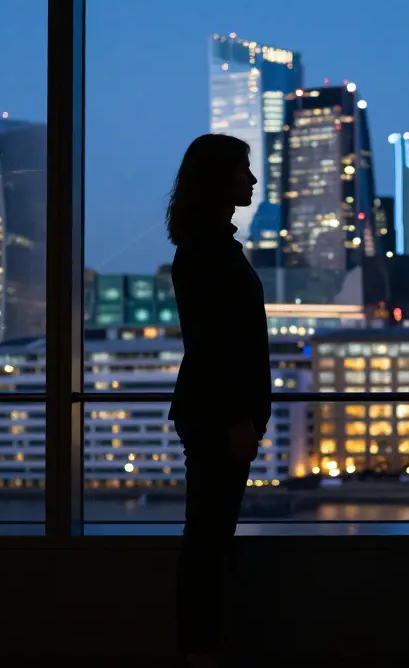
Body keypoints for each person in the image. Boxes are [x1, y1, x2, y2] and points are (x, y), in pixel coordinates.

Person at [166, 134, 272, 667]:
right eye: (243, 171)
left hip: (211, 414)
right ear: (218, 179)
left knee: (207, 536)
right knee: (207, 539)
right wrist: (238, 419)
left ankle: (200, 646)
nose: (252, 181)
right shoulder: (209, 251)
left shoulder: (206, 245)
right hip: (217, 419)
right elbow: (216, 345)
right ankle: (199, 649)